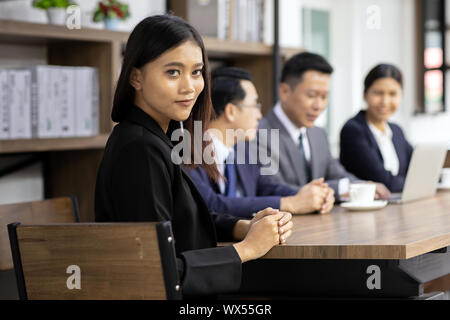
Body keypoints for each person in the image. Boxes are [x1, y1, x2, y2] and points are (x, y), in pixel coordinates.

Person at [94, 15, 293, 298]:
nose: (189, 86)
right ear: (136, 76)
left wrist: (243, 227)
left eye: (196, 72)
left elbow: (183, 219)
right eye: (173, 72)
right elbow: (155, 271)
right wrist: (247, 249)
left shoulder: (163, 136)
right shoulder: (140, 149)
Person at [188, 67, 335, 218]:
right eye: (255, 105)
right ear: (231, 111)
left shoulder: (240, 149)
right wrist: (290, 203)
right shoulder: (188, 152)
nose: (259, 115)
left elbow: (266, 187)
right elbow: (212, 205)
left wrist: (313, 195)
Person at [257, 52, 391, 201]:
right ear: (285, 91)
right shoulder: (258, 133)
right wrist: (341, 189)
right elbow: (272, 190)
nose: (319, 105)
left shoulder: (318, 134)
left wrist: (361, 186)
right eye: (312, 95)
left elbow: (336, 174)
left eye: (324, 96)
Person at [340, 64, 413, 192]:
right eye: (378, 93)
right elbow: (383, 181)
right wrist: (415, 183)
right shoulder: (353, 130)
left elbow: (416, 167)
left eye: (392, 94)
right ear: (365, 94)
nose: (385, 101)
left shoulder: (396, 131)